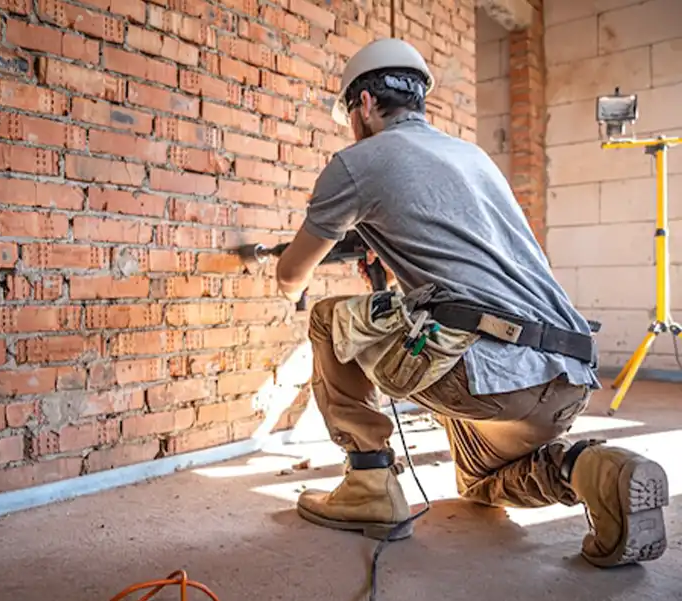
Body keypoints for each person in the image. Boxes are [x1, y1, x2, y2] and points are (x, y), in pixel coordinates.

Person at [273, 38, 669, 568]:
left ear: (364, 105)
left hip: (486, 375)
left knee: (329, 320)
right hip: (566, 377)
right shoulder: (471, 155)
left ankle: (368, 479)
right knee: (479, 482)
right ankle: (591, 468)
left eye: (351, 112)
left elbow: (290, 275)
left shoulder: (357, 163)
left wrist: (306, 272)